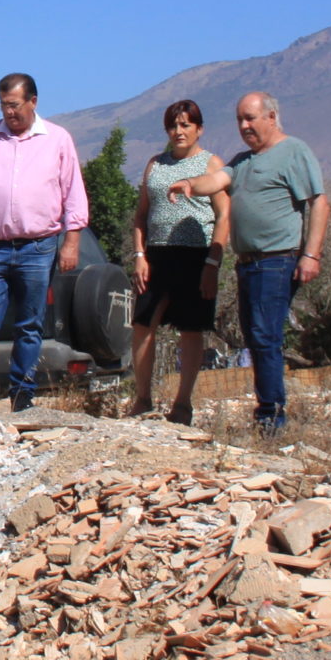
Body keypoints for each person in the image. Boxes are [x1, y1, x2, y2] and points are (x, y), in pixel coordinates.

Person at [0, 73, 89, 414]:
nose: (9, 113)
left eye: (14, 105)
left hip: (38, 247)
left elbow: (74, 195)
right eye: (3, 105)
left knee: (29, 323)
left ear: (32, 102)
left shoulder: (57, 139)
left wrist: (71, 242)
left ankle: (23, 393)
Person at [218, 91, 330, 433]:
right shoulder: (242, 161)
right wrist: (189, 184)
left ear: (271, 116)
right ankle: (268, 409)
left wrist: (311, 254)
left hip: (276, 261)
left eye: (250, 118)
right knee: (254, 337)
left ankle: (272, 417)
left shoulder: (293, 151)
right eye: (239, 119)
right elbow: (217, 180)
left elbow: (319, 203)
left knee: (265, 337)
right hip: (248, 263)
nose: (244, 125)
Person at [125, 99, 231, 423]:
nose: (179, 131)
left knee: (191, 328)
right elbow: (142, 215)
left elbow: (224, 214)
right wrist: (140, 256)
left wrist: (213, 263)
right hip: (156, 254)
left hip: (195, 254)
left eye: (185, 124)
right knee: (143, 324)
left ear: (199, 128)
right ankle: (143, 398)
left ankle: (183, 404)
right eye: (173, 125)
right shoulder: (155, 164)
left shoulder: (211, 164)